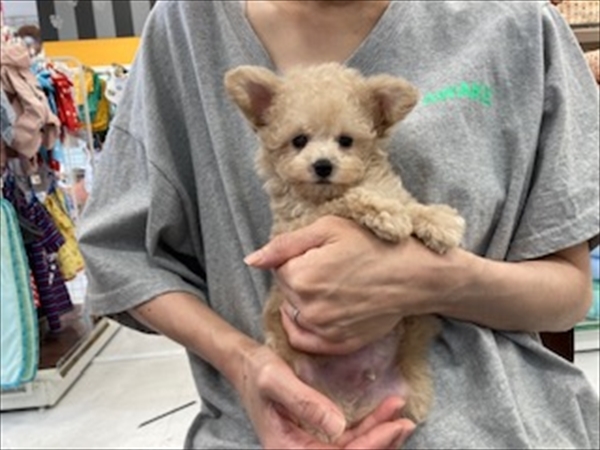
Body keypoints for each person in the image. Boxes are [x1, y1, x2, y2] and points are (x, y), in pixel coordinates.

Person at [77, 1, 600, 449]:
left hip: (498, 427)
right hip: (271, 428)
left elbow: (570, 290)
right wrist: (245, 364)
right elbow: (121, 257)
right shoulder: (186, 27)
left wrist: (431, 280)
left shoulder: (517, 22)